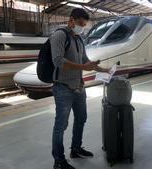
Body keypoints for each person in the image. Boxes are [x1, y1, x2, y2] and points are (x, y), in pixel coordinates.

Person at [50, 8, 109, 169]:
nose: (82, 27)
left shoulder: (78, 39)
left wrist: (105, 70)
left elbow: (85, 61)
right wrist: (84, 66)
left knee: (81, 119)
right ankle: (59, 160)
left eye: (84, 25)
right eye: (80, 24)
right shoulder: (59, 35)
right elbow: (58, 61)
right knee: (61, 125)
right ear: (71, 20)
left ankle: (75, 148)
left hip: (79, 87)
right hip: (63, 88)